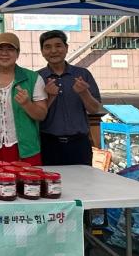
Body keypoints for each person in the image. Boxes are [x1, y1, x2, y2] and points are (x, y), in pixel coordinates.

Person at [0, 32, 47, 165]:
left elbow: (41, 115)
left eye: (10, 49)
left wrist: (27, 104)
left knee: (28, 179)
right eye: (0, 49)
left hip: (25, 149)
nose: (4, 53)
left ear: (18, 53)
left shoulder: (33, 78)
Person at [38, 30, 102, 166]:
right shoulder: (37, 78)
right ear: (42, 51)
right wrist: (49, 97)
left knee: (82, 179)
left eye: (58, 45)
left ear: (66, 48)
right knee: (51, 179)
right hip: (48, 144)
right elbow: (36, 116)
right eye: (47, 47)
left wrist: (84, 93)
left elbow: (95, 109)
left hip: (79, 144)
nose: (53, 51)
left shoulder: (83, 74)